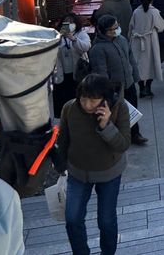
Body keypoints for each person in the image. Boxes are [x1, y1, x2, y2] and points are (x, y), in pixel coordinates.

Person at [55, 74, 130, 255]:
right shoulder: (70, 108)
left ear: (105, 99)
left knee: (106, 221)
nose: (87, 104)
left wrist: (106, 125)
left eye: (94, 100)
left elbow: (124, 144)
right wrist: (59, 164)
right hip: (78, 173)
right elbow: (63, 139)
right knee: (72, 219)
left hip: (109, 173)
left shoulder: (120, 108)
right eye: (84, 98)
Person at [88, 15, 147, 145]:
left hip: (129, 83)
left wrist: (136, 77)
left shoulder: (122, 40)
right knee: (118, 114)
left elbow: (130, 59)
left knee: (133, 110)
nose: (116, 30)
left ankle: (135, 134)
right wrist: (108, 91)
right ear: (104, 31)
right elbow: (101, 72)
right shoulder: (98, 49)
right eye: (112, 29)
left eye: (117, 27)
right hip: (115, 89)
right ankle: (120, 138)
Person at [52, 13, 91, 117]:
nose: (69, 24)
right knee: (63, 102)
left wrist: (73, 39)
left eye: (72, 22)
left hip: (77, 73)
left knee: (77, 98)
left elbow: (86, 47)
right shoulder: (56, 35)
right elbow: (52, 51)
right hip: (61, 74)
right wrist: (60, 38)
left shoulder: (81, 34)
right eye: (66, 22)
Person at [128, 0, 164, 99]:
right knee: (151, 64)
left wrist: (129, 37)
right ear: (152, 0)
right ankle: (148, 87)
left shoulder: (136, 12)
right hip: (150, 40)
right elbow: (161, 27)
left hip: (136, 40)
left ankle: (141, 88)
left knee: (138, 65)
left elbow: (131, 27)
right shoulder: (154, 12)